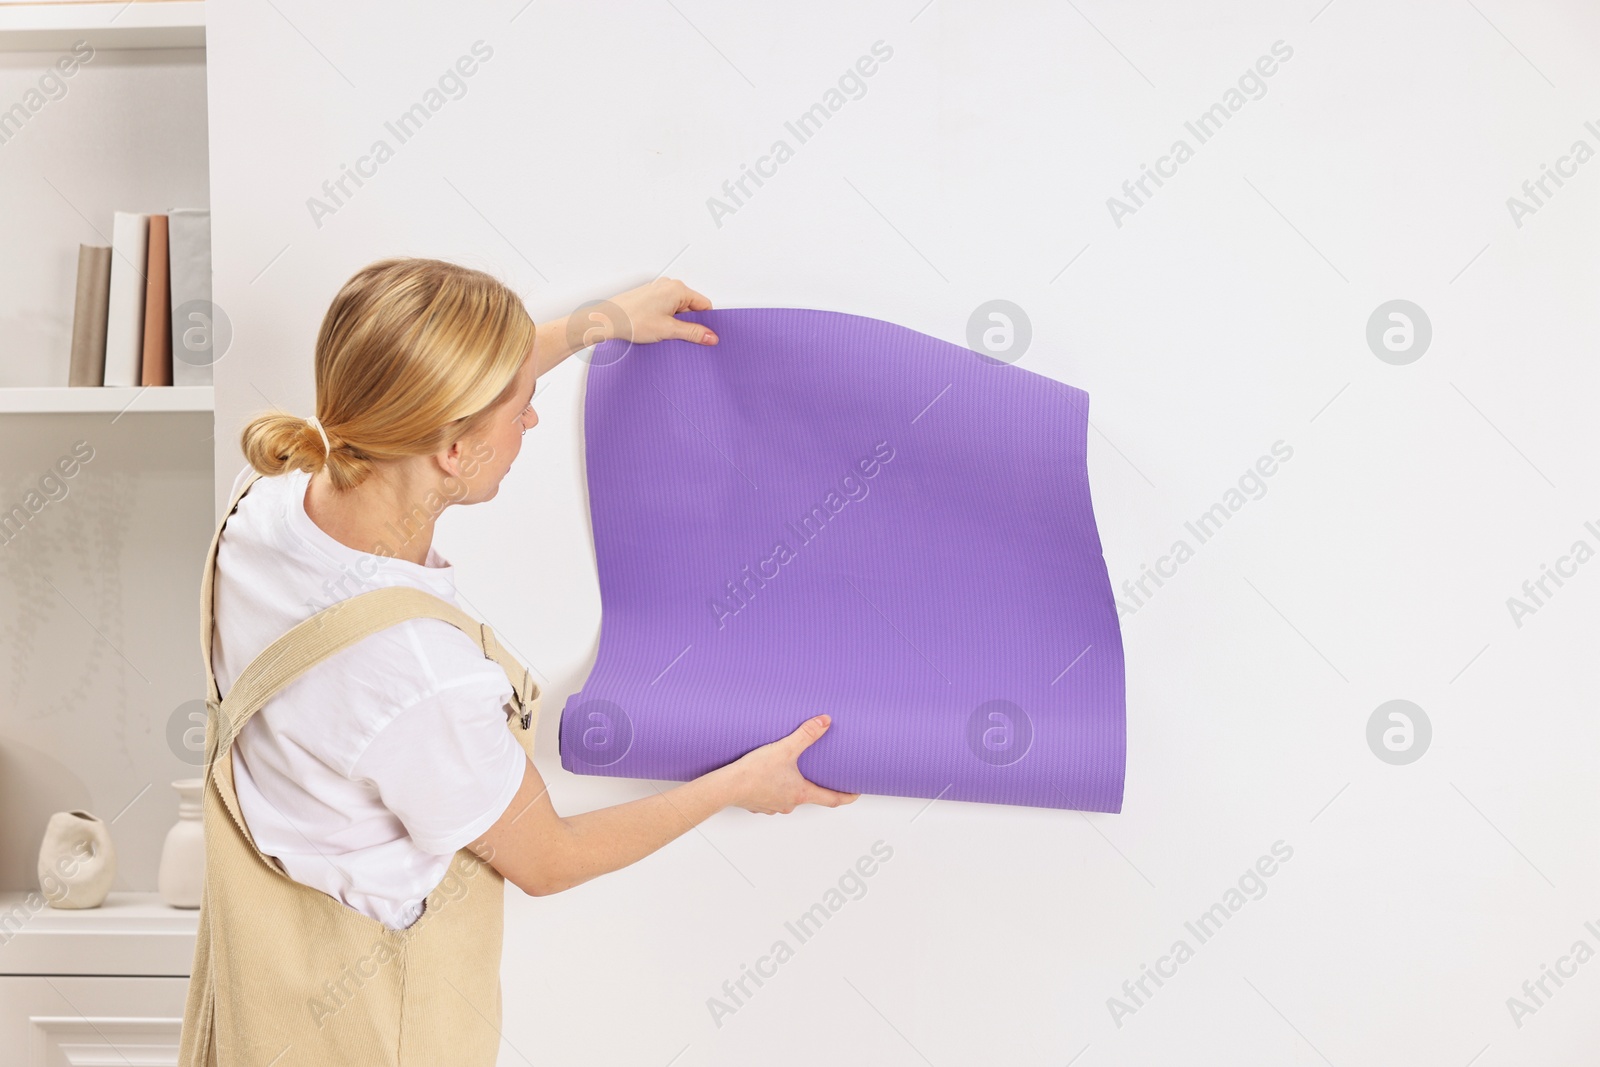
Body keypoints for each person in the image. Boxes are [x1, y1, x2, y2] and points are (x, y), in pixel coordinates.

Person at [178, 258, 857, 1066]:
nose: (531, 422)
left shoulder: (265, 499)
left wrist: (589, 327)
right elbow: (549, 858)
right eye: (521, 405)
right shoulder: (420, 675)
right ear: (455, 451)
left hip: (257, 1002)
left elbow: (420, 391)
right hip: (369, 1033)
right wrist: (737, 784)